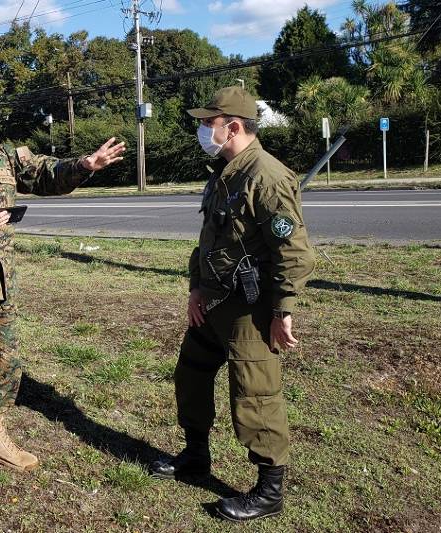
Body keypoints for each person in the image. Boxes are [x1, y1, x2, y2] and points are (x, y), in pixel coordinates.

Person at [0, 75, 126, 498]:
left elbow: (45, 175)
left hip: (3, 283)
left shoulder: (1, 154)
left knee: (5, 363)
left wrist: (85, 166)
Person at [149, 86, 315, 522]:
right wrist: (195, 288)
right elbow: (209, 241)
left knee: (255, 393)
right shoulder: (224, 172)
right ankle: (196, 456)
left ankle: (269, 489)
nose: (203, 130)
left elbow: (293, 252)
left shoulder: (267, 176)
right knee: (192, 374)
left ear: (234, 127)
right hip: (213, 300)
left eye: (209, 123)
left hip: (249, 308)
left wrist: (283, 311)